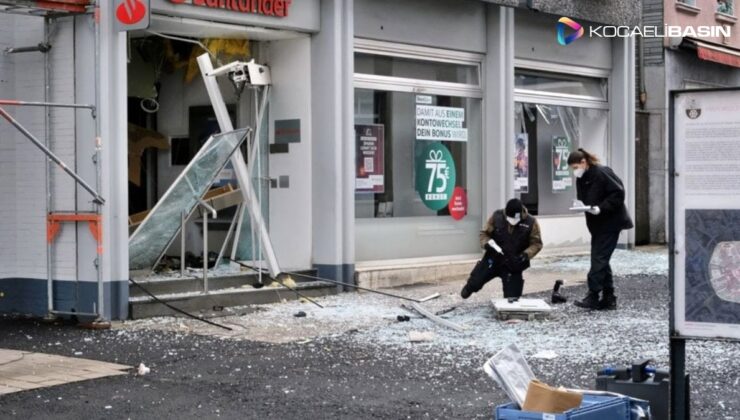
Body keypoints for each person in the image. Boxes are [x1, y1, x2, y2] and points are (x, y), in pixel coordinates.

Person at [568, 148, 633, 310]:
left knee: (598, 258)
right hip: (597, 224)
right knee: (601, 259)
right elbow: (585, 199)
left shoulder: (602, 172)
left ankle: (593, 295)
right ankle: (608, 297)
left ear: (584, 162)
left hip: (610, 223)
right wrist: (582, 206)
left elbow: (618, 193)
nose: (575, 172)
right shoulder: (582, 178)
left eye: (576, 167)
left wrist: (600, 208)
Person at [460, 198, 543, 299]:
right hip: (493, 259)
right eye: (510, 218)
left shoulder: (531, 222)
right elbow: (484, 234)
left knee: (512, 298)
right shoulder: (497, 217)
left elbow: (537, 244)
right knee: (476, 281)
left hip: (514, 263)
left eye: (515, 219)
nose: (512, 221)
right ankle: (470, 288)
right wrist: (487, 244)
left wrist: (526, 255)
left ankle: (510, 304)